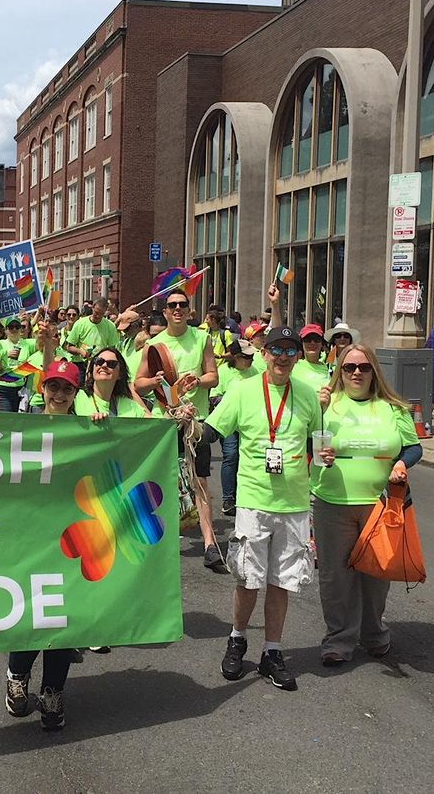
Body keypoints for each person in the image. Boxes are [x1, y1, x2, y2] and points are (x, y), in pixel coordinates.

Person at [207, 327, 323, 691]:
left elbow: (319, 443)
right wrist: (181, 430)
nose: (284, 357)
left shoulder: (306, 395)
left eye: (291, 351)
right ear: (265, 354)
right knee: (248, 578)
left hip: (294, 504)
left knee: (281, 581)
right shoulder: (242, 391)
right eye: (277, 350)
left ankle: (272, 652)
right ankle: (237, 638)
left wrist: (327, 457)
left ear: (297, 357)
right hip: (254, 501)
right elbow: (211, 430)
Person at [311, 343, 422, 666]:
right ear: (339, 372)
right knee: (335, 576)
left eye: (363, 367)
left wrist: (402, 464)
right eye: (349, 367)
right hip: (332, 500)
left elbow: (413, 447)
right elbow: (308, 442)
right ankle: (339, 639)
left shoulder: (394, 407)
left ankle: (374, 633)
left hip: (381, 502)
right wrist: (320, 450)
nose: (356, 373)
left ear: (375, 371)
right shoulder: (325, 404)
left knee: (377, 574)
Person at [5, 360, 81, 731]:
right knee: (29, 607)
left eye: (66, 388)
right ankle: (17, 676)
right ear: (41, 389)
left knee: (64, 616)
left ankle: (53, 690)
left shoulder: (87, 429)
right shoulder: (24, 427)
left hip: (72, 537)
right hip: (31, 534)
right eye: (53, 386)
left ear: (75, 394)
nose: (59, 394)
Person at [134, 288, 221, 570]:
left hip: (196, 421)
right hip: (166, 420)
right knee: (168, 480)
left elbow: (214, 377)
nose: (177, 309)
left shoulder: (202, 338)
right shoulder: (155, 344)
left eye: (182, 305)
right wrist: (157, 381)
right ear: (165, 311)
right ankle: (166, 538)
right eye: (172, 305)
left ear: (189, 310)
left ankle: (209, 543)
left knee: (200, 481)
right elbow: (139, 383)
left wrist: (198, 380)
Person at [211, 339, 262, 516]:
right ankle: (228, 497)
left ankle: (245, 495)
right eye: (246, 357)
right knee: (231, 455)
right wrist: (231, 400)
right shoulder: (223, 372)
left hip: (251, 421)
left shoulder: (255, 371)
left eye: (251, 357)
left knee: (247, 456)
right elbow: (214, 396)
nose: (251, 360)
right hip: (230, 422)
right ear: (235, 357)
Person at [75, 346, 151, 419]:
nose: (104, 365)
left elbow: (156, 425)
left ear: (120, 374)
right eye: (99, 361)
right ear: (92, 369)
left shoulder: (129, 405)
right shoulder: (76, 397)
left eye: (111, 364)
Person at [63, 297, 120, 385]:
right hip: (81, 364)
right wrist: (80, 351)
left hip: (99, 364)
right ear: (92, 308)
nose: (97, 316)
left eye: (101, 314)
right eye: (96, 312)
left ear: (105, 312)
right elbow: (69, 346)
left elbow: (112, 349)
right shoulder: (80, 323)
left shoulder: (110, 326)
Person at [0, 317, 36, 412]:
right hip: (4, 388)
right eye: (11, 327)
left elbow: (42, 342)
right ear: (6, 330)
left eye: (17, 327)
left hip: (22, 389)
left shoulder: (27, 343)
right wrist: (6, 355)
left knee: (20, 422)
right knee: (6, 421)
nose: (14, 329)